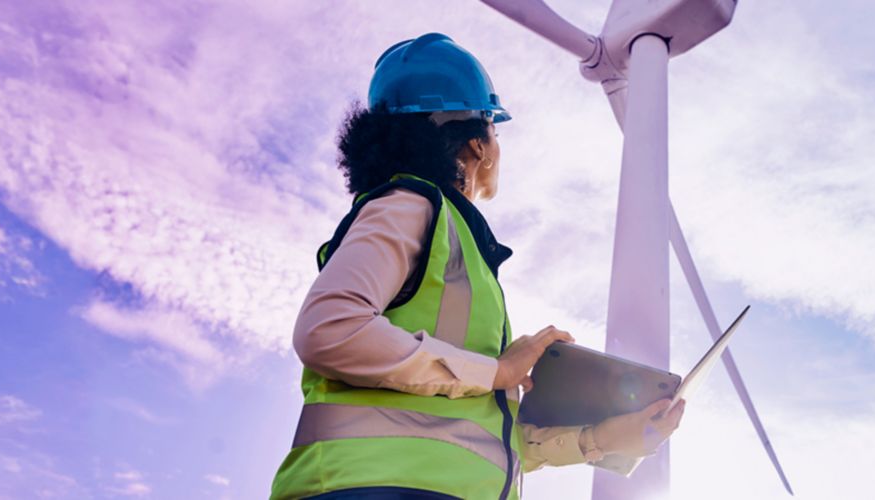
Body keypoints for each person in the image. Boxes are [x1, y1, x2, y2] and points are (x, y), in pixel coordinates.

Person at [269, 33, 687, 500]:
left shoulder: (460, 255)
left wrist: (604, 439)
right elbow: (329, 329)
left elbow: (476, 439)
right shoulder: (410, 206)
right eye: (495, 131)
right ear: (477, 145)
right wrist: (497, 372)